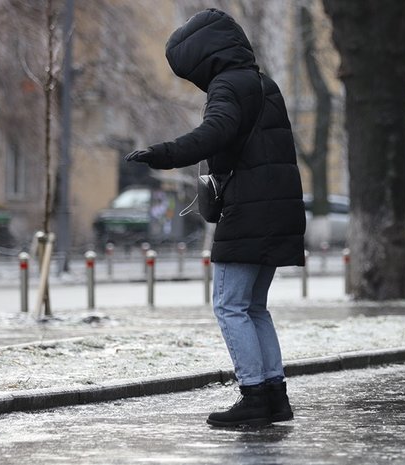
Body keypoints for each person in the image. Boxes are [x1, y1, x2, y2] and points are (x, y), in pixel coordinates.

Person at [124, 8, 306, 427]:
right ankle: (275, 396)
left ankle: (254, 395)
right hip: (277, 210)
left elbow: (215, 132)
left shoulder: (228, 86)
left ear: (204, 59)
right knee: (254, 307)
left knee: (229, 306)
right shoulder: (264, 84)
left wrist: (164, 154)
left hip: (248, 213)